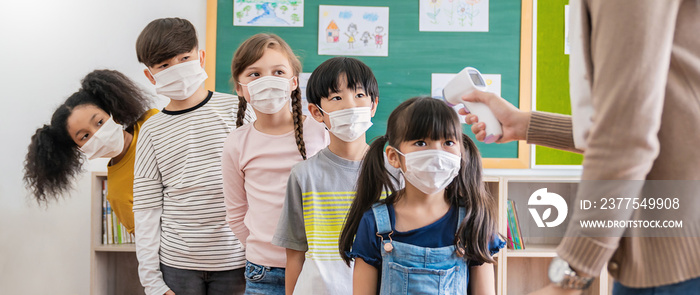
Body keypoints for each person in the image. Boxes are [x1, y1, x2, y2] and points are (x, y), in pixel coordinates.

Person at [463, 1, 700, 294]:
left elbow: (625, 135)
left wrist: (571, 276)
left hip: (674, 250)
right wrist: (523, 125)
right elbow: (657, 124)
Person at [132, 17, 252, 295]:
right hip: (177, 265)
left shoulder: (240, 109)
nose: (176, 68)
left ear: (200, 57)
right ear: (150, 75)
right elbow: (147, 210)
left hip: (237, 260)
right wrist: (152, 282)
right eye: (164, 65)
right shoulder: (151, 130)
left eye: (184, 58)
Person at [339, 97, 505, 295]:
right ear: (394, 157)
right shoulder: (374, 222)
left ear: (460, 152)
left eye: (448, 142)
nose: (436, 153)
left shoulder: (474, 220)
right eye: (421, 142)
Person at [222, 33, 329, 294]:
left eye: (278, 72)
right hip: (263, 272)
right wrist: (263, 252)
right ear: (239, 87)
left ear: (293, 82)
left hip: (318, 265)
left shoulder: (320, 130)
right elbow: (236, 214)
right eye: (255, 74)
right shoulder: (236, 143)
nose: (267, 81)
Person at [271, 57, 380, 295]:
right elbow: (295, 253)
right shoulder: (304, 174)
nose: (350, 105)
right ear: (316, 112)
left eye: (360, 95)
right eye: (337, 98)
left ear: (373, 105)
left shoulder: (392, 172)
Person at [24, 69, 157, 234]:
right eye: (85, 136)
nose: (98, 135)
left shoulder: (153, 122)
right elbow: (152, 240)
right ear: (78, 148)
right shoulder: (118, 194)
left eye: (99, 122)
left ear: (111, 113)